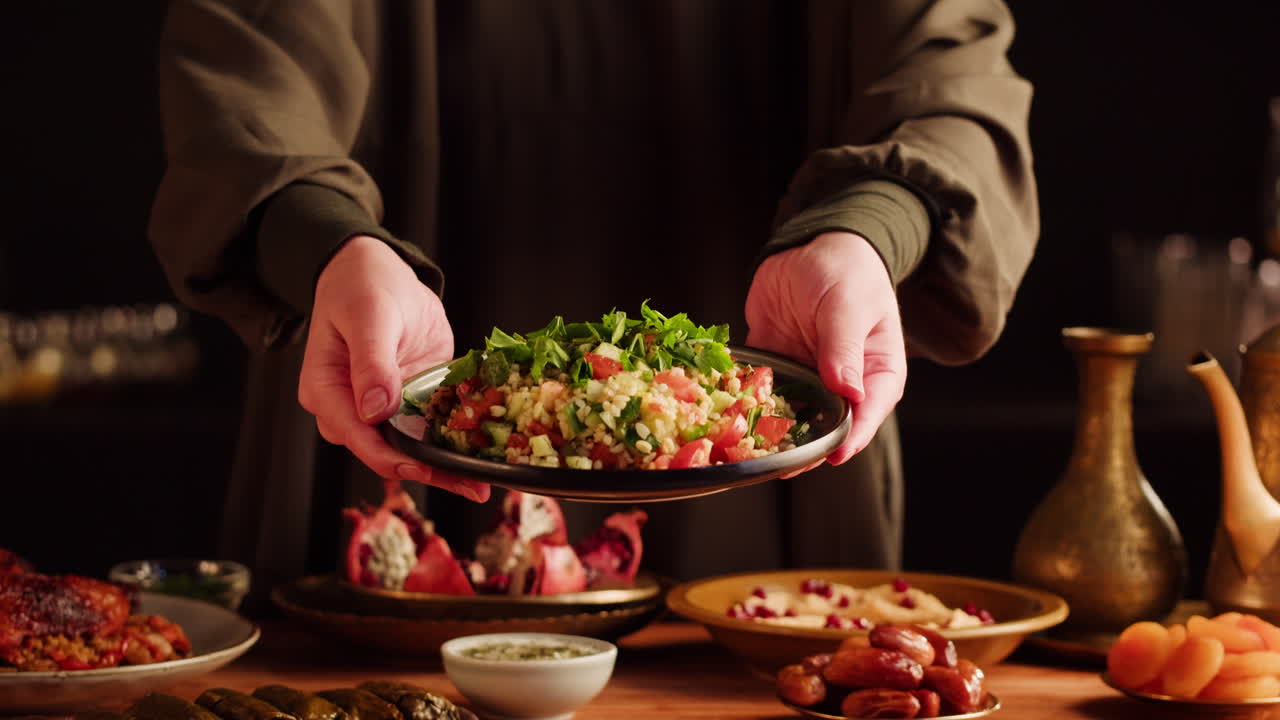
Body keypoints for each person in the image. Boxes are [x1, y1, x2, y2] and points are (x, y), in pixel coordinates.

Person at [149, 0, 1037, 598]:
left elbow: (951, 75)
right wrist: (325, 241)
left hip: (784, 388)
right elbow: (245, 61)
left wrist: (870, 227)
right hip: (383, 369)